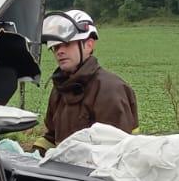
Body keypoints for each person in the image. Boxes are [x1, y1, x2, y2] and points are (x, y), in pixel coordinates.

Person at [40, 9, 138, 146]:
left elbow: (117, 150)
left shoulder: (110, 90)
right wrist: (30, 157)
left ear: (89, 45)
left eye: (67, 44)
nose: (60, 51)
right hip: (62, 166)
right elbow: (51, 137)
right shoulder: (60, 88)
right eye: (55, 47)